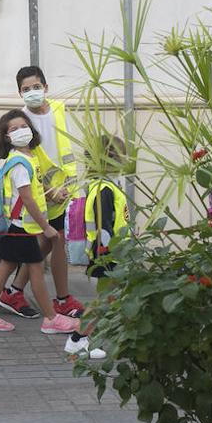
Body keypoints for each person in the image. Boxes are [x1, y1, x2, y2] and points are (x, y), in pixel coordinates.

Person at [0, 110, 79, 336]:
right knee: (36, 271)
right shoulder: (20, 163)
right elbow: (28, 199)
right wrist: (47, 227)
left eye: (24, 126)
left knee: (6, 268)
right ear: (6, 137)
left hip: (20, 227)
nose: (21, 131)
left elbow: (37, 193)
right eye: (14, 129)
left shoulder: (29, 158)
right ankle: (51, 318)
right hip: (23, 228)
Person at [0, 66, 85, 319]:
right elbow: (29, 162)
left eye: (36, 87)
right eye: (26, 90)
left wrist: (68, 185)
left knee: (48, 241)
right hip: (42, 194)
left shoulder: (58, 109)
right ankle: (61, 299)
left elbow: (64, 148)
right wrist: (48, 191)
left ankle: (14, 292)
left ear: (46, 87)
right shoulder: (21, 121)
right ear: (19, 93)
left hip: (65, 189)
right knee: (54, 240)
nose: (32, 93)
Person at [66, 135, 128, 360]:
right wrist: (111, 253)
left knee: (111, 299)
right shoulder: (105, 188)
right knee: (105, 300)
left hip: (107, 253)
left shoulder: (104, 186)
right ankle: (78, 339)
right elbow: (104, 226)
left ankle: (88, 338)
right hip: (108, 254)